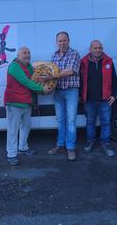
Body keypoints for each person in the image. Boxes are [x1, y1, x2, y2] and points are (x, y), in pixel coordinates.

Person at [4, 47, 51, 165]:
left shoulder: (28, 66)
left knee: (26, 126)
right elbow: (26, 82)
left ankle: (23, 147)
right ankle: (11, 154)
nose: (27, 55)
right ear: (18, 55)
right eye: (24, 53)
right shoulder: (15, 66)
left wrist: (47, 81)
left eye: (29, 53)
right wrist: (42, 89)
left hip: (26, 101)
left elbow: (35, 78)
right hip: (14, 102)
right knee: (13, 130)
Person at [46, 31, 81, 161]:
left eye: (64, 40)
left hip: (71, 91)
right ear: (57, 42)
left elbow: (71, 71)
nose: (62, 43)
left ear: (68, 41)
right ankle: (60, 145)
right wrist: (47, 84)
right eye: (60, 41)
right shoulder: (54, 56)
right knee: (60, 119)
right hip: (58, 91)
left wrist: (53, 76)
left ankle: (70, 148)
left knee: (71, 120)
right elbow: (50, 72)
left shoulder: (74, 53)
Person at [80, 40, 117, 157]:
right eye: (95, 48)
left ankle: (105, 144)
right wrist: (81, 96)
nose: (98, 50)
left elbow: (115, 80)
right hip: (89, 100)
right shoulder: (83, 62)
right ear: (90, 49)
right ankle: (90, 142)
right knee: (90, 122)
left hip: (105, 100)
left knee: (106, 122)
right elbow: (80, 81)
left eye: (100, 48)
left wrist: (113, 95)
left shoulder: (108, 61)